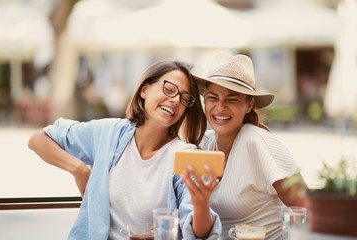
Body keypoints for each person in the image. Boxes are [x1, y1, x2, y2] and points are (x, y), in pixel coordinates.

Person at [28, 60, 221, 240]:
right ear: (144, 89)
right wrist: (79, 169)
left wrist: (201, 202)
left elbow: (200, 233)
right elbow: (39, 139)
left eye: (184, 98)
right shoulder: (109, 133)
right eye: (169, 89)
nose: (176, 100)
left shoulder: (184, 155)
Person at [181, 52, 307, 240]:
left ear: (249, 104)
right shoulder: (203, 145)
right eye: (213, 97)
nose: (220, 107)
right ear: (204, 100)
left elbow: (308, 207)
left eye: (232, 99)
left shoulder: (255, 140)